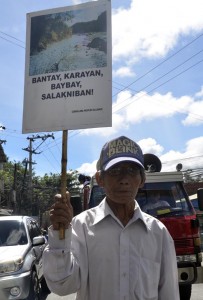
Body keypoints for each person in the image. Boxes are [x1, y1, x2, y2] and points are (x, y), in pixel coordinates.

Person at [42, 135, 180, 300]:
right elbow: (62, 285)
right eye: (115, 171)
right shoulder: (82, 226)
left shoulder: (158, 232)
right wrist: (59, 235)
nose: (124, 180)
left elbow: (169, 293)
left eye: (132, 171)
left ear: (142, 179)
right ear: (100, 179)